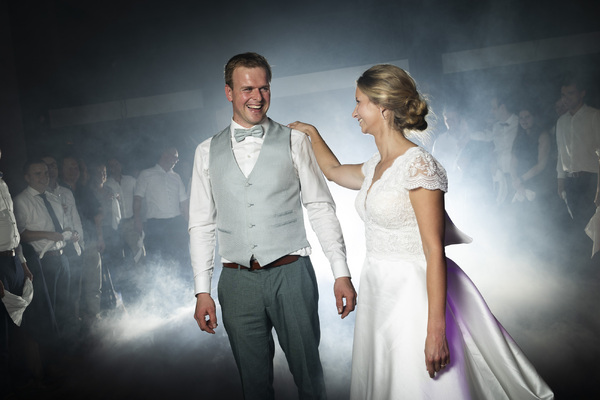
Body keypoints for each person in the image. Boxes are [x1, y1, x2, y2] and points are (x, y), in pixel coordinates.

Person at [289, 64, 553, 399]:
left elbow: (433, 250)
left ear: (383, 107)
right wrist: (312, 133)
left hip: (413, 293)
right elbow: (334, 170)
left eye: (359, 102)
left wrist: (436, 332)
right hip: (378, 289)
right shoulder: (374, 165)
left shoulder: (419, 165)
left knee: (419, 383)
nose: (354, 112)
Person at [188, 52, 357, 400]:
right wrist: (202, 291)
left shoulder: (295, 140)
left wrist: (341, 272)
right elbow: (201, 224)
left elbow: (320, 207)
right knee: (253, 387)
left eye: (264, 88)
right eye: (247, 89)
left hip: (291, 274)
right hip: (236, 282)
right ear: (229, 92)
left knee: (310, 380)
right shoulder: (205, 151)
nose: (257, 97)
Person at [134, 146, 189, 280]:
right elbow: (137, 199)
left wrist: (190, 224)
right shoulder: (146, 174)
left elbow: (184, 203)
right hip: (156, 225)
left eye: (177, 159)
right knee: (157, 261)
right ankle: (158, 289)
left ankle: (185, 288)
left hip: (176, 224)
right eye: (174, 157)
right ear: (165, 155)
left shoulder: (176, 177)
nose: (176, 161)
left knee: (182, 259)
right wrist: (137, 220)